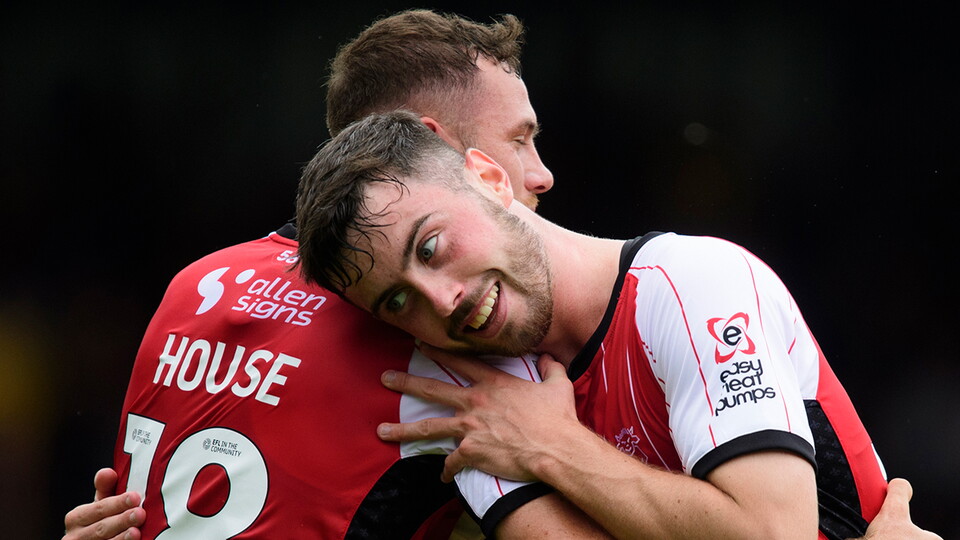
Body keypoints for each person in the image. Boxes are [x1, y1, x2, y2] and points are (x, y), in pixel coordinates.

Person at [61, 10, 607, 540]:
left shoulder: (199, 283)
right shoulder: (457, 352)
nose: (541, 175)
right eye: (518, 139)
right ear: (434, 148)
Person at [294, 110, 943, 540]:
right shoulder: (467, 397)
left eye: (431, 246)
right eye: (399, 304)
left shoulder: (692, 282)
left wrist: (556, 448)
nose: (441, 299)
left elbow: (774, 533)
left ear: (490, 178)